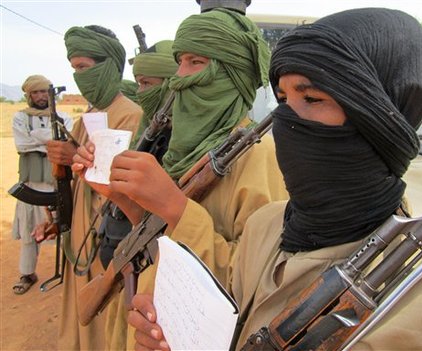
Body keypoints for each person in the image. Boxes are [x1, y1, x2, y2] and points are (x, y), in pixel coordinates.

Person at [127, 8, 422, 351]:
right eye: (283, 99)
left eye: (312, 99)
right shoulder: (266, 228)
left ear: (381, 116)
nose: (286, 119)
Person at [71, 8, 288, 351]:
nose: (178, 78)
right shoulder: (186, 150)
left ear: (231, 72)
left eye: (195, 62)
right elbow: (158, 235)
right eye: (179, 62)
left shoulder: (260, 156)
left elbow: (259, 283)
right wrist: (120, 196)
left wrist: (175, 206)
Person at [36, 25, 143, 350]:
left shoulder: (129, 116)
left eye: (83, 67)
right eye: (74, 69)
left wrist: (74, 160)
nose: (79, 76)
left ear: (108, 65)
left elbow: (122, 192)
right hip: (79, 237)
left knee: (103, 325)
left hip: (105, 239)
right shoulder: (89, 117)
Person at [102, 39, 178, 351]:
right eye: (138, 84)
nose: (142, 92)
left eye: (148, 83)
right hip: (124, 243)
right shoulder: (149, 128)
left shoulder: (181, 140)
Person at [11, 74, 73, 295]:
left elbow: (67, 142)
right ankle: (27, 273)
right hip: (30, 184)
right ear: (29, 95)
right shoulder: (20, 118)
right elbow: (22, 144)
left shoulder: (63, 116)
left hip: (57, 184)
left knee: (66, 230)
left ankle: (69, 275)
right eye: (35, 92)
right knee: (29, 233)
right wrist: (49, 140)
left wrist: (37, 138)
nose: (40, 96)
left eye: (43, 92)